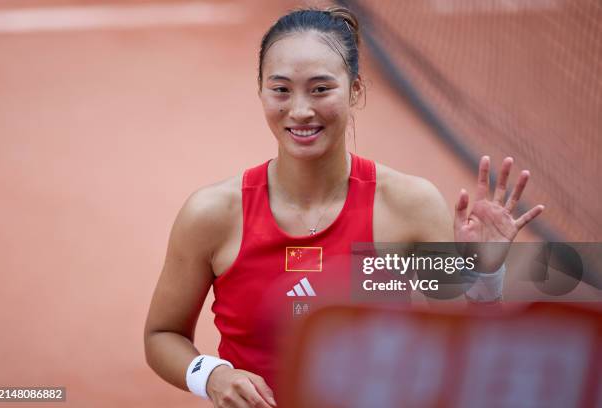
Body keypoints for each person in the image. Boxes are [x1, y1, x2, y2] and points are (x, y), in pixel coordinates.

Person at [143, 6, 544, 408]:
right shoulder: (212, 215)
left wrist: (485, 275)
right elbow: (162, 335)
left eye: (320, 89)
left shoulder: (410, 207)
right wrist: (212, 375)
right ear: (260, 90)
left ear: (354, 90)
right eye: (280, 89)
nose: (300, 110)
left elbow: (467, 350)